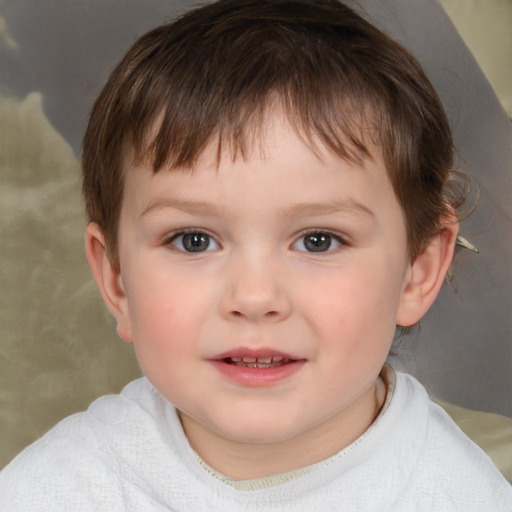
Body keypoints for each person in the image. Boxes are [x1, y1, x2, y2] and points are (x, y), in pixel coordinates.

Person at [1, 0, 510, 509]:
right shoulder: (55, 489)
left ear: (417, 271)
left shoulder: (459, 496)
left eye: (318, 240)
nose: (254, 297)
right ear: (116, 279)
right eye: (193, 240)